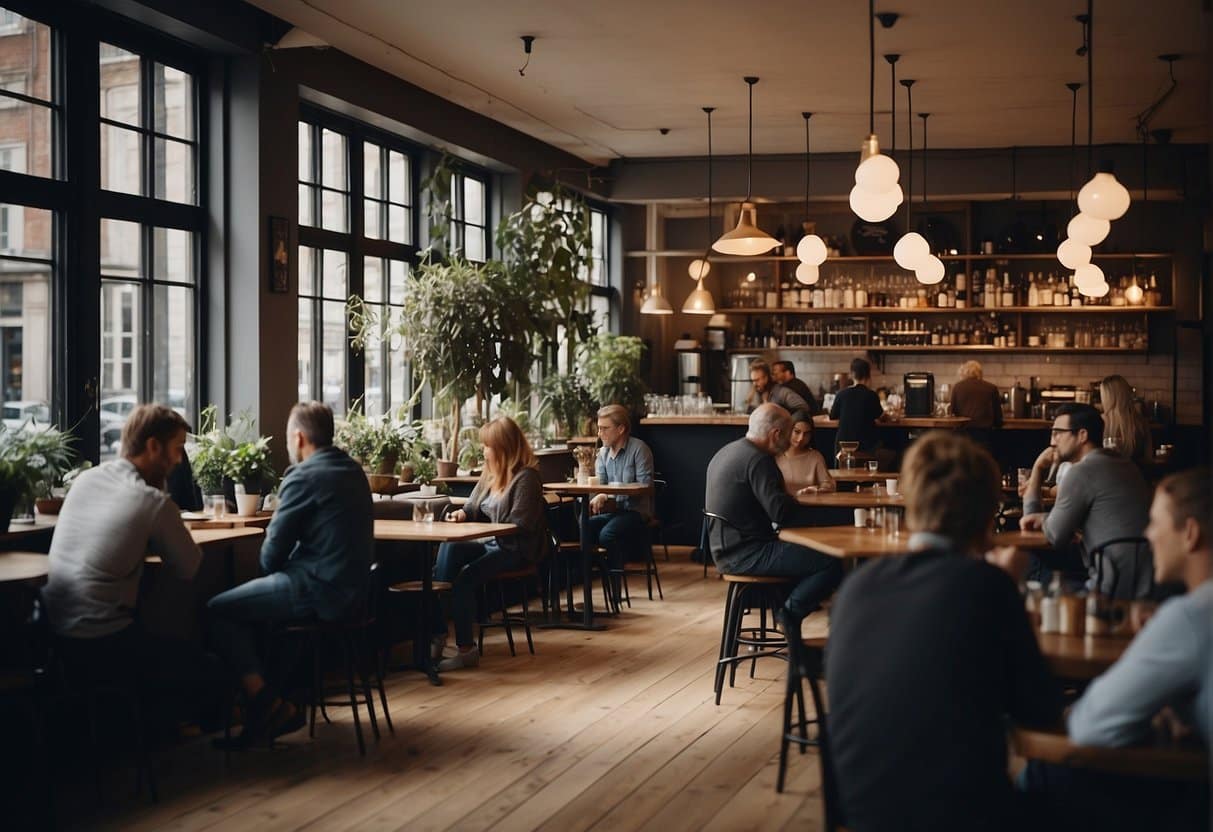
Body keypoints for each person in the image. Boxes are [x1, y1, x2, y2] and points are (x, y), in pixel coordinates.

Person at [826, 432, 1062, 831]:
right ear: (987, 510)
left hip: (863, 813)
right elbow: (1039, 711)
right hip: (958, 816)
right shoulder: (987, 586)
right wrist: (1007, 589)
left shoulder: (856, 585)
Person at [1026, 467, 1211, 832]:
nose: (1146, 535)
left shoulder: (1191, 617)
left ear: (1190, 534)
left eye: (1154, 523)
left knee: (1044, 771)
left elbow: (1090, 726)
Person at [42, 404, 219, 733]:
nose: (181, 460)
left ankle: (152, 731)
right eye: (178, 448)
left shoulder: (86, 480)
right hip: (101, 643)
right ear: (154, 446)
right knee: (206, 664)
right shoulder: (150, 500)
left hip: (51, 635)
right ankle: (183, 745)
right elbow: (189, 567)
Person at [207, 401, 373, 746]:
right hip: (355, 593)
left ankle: (266, 704)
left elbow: (270, 554)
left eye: (286, 439)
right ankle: (273, 710)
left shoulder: (304, 475)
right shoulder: (353, 470)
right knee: (272, 620)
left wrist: (278, 567)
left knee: (219, 610)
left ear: (298, 438)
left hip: (319, 589)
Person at [703, 404, 842, 624]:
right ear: (776, 434)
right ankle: (788, 615)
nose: (790, 442)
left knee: (811, 554)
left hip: (723, 550)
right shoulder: (759, 460)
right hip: (748, 553)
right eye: (789, 434)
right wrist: (826, 520)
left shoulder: (727, 451)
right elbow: (781, 513)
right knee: (831, 561)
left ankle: (789, 620)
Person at [432, 416, 546, 671]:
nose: (484, 451)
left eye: (488, 446)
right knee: (449, 548)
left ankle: (465, 650)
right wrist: (461, 514)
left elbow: (521, 524)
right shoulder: (490, 473)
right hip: (493, 543)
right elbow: (472, 507)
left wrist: (484, 529)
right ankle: (437, 633)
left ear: (504, 447)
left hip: (517, 548)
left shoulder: (526, 478)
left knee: (463, 580)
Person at [1022, 403, 1152, 598]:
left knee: (1030, 560)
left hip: (1109, 586)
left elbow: (1054, 536)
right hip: (1145, 581)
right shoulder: (1126, 465)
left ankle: (1052, 624)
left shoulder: (1081, 472)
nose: (1052, 441)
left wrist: (1038, 468)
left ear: (1082, 435)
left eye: (1058, 433)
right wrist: (1046, 518)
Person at [588, 404, 654, 597]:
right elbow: (601, 486)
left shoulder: (639, 450)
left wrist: (607, 495)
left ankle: (615, 590)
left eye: (604, 428)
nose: (600, 433)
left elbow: (645, 487)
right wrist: (602, 495)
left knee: (607, 535)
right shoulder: (602, 454)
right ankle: (589, 590)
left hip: (636, 512)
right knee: (585, 527)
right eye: (598, 428)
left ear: (621, 428)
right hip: (613, 511)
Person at [828, 357, 885, 459]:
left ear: (852, 374)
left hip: (842, 446)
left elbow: (832, 416)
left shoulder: (842, 394)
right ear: (868, 375)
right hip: (866, 446)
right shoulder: (871, 395)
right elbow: (881, 417)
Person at [776, 411, 835, 495]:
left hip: (808, 506)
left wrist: (817, 489)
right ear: (788, 430)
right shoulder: (775, 455)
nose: (801, 438)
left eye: (806, 434)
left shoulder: (815, 456)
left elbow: (829, 485)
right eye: (797, 432)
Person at [1099, 374, 1151, 468]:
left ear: (1106, 397)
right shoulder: (1141, 422)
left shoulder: (1100, 421)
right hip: (1137, 477)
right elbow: (1148, 458)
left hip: (1108, 476)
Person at [950, 360, 1003, 447]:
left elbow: (952, 413)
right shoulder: (991, 388)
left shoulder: (957, 387)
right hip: (985, 438)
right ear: (980, 373)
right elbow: (998, 419)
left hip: (962, 438)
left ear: (964, 373)